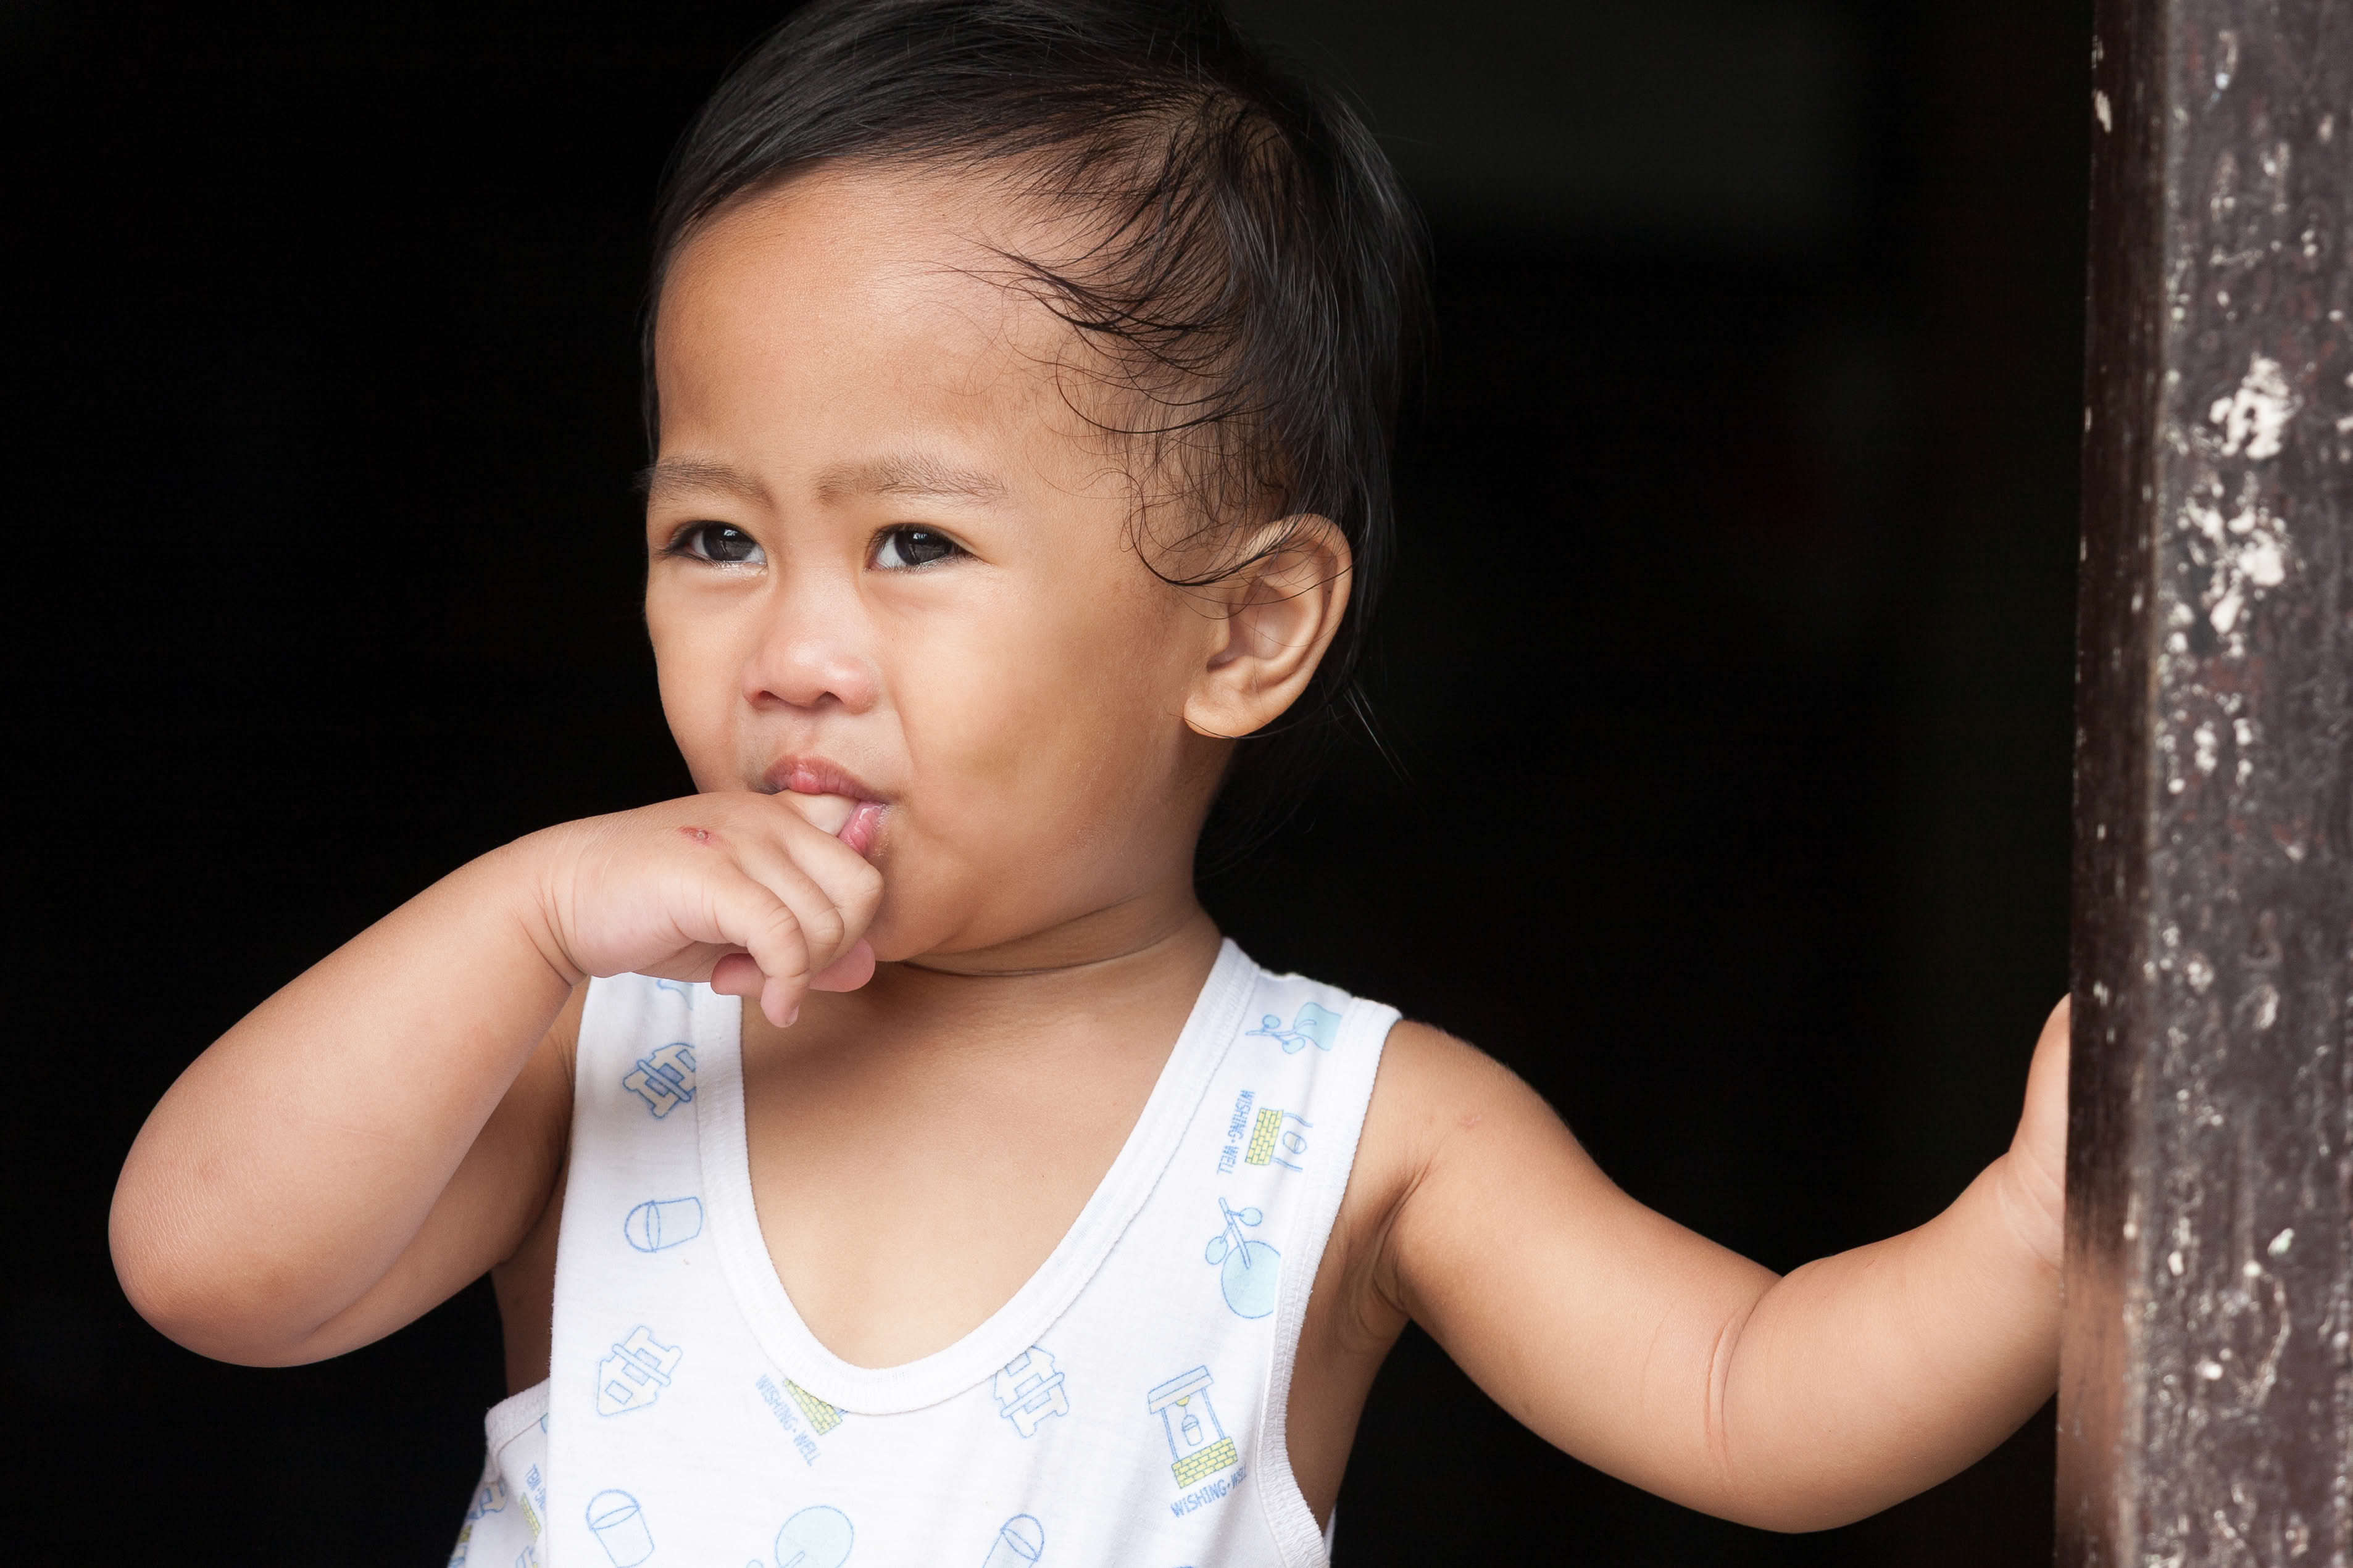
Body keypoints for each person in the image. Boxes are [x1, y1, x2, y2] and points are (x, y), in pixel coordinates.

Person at [108, 2, 2070, 1562]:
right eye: (715, 538)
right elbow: (210, 1271)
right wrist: (522, 917)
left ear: (1244, 632)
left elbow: (1744, 1398)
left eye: (912, 543)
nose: (789, 646)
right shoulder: (608, 1037)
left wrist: (2031, 1231)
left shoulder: (1347, 1130)